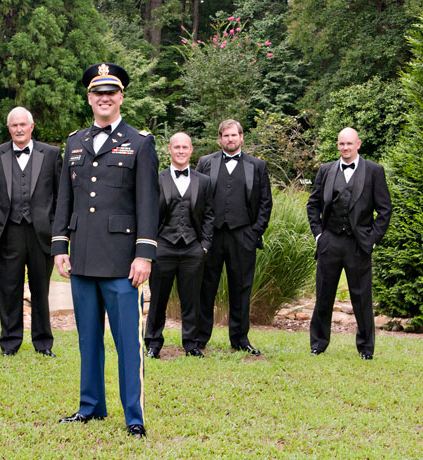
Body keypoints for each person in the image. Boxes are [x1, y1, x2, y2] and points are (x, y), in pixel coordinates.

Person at [52, 63, 159, 439]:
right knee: (88, 338)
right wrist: (59, 246)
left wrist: (144, 254)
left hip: (122, 261)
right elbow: (64, 197)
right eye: (98, 93)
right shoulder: (74, 141)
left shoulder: (140, 142)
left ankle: (134, 415)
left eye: (111, 92)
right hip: (81, 255)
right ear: (89, 98)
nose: (104, 98)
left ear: (121, 97)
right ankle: (91, 406)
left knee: (128, 341)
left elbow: (148, 202)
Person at [306, 127, 392, 359]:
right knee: (324, 295)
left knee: (362, 297)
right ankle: (318, 344)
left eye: (349, 144)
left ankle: (366, 348)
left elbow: (384, 210)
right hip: (330, 241)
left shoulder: (374, 171)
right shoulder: (326, 170)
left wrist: (372, 239)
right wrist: (319, 235)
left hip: (358, 243)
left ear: (358, 144)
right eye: (341, 144)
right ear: (337, 145)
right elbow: (312, 205)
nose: (345, 147)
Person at [0, 107, 62, 357]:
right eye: (14, 125)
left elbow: (60, 196)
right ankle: (9, 343)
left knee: (41, 290)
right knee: (8, 290)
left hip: (42, 234)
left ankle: (43, 343)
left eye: (22, 124)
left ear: (31, 126)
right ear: (9, 128)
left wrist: (56, 228)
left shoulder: (51, 154)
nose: (18, 129)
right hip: (8, 234)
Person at [195, 119, 272, 355]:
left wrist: (254, 232)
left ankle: (240, 339)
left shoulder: (257, 166)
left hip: (243, 236)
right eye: (226, 135)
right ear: (220, 138)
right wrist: (200, 234)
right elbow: (195, 198)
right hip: (212, 236)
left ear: (241, 137)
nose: (230, 139)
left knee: (241, 289)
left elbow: (265, 203)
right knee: (205, 288)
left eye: (234, 135)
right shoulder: (206, 163)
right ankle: (199, 339)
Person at [145, 132, 214, 358]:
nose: (181, 151)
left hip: (192, 249)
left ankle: (192, 344)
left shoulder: (203, 182)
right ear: (170, 150)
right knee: (157, 299)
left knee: (191, 299)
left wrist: (203, 246)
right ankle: (153, 344)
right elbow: (148, 215)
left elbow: (209, 216)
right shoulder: (157, 179)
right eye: (177, 147)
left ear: (191, 150)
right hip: (163, 246)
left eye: (185, 147)